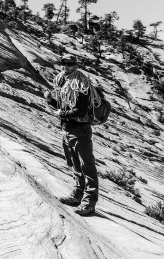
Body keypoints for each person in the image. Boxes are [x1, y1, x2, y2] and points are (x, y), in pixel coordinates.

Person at [44, 54, 101, 216]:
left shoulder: (80, 84)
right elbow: (64, 107)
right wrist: (51, 101)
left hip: (80, 130)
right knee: (75, 163)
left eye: (70, 64)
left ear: (76, 65)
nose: (66, 66)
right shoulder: (65, 82)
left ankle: (89, 202)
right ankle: (77, 194)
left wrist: (62, 113)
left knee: (87, 165)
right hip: (67, 129)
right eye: (64, 63)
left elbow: (80, 110)